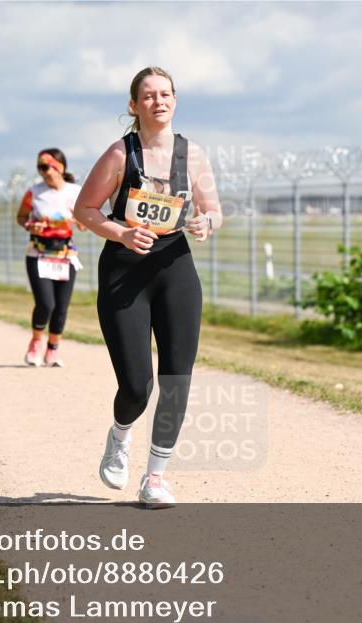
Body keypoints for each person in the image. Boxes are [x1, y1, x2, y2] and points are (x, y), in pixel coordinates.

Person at [74, 66, 222, 508]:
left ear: (175, 100)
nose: (159, 101)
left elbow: (214, 210)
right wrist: (120, 233)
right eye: (149, 95)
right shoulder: (120, 155)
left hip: (175, 267)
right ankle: (120, 434)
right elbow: (85, 209)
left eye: (166, 94)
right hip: (124, 272)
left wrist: (205, 221)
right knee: (138, 386)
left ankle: (155, 477)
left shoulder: (193, 155)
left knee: (176, 378)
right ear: (135, 105)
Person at [15, 149, 84, 367]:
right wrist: (30, 225)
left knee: (61, 306)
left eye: (46, 167)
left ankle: (52, 350)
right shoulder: (34, 192)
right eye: (39, 168)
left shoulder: (75, 191)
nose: (42, 172)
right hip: (39, 253)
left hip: (65, 255)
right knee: (46, 303)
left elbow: (84, 226)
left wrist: (77, 217)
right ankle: (36, 342)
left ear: (60, 167)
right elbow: (21, 217)